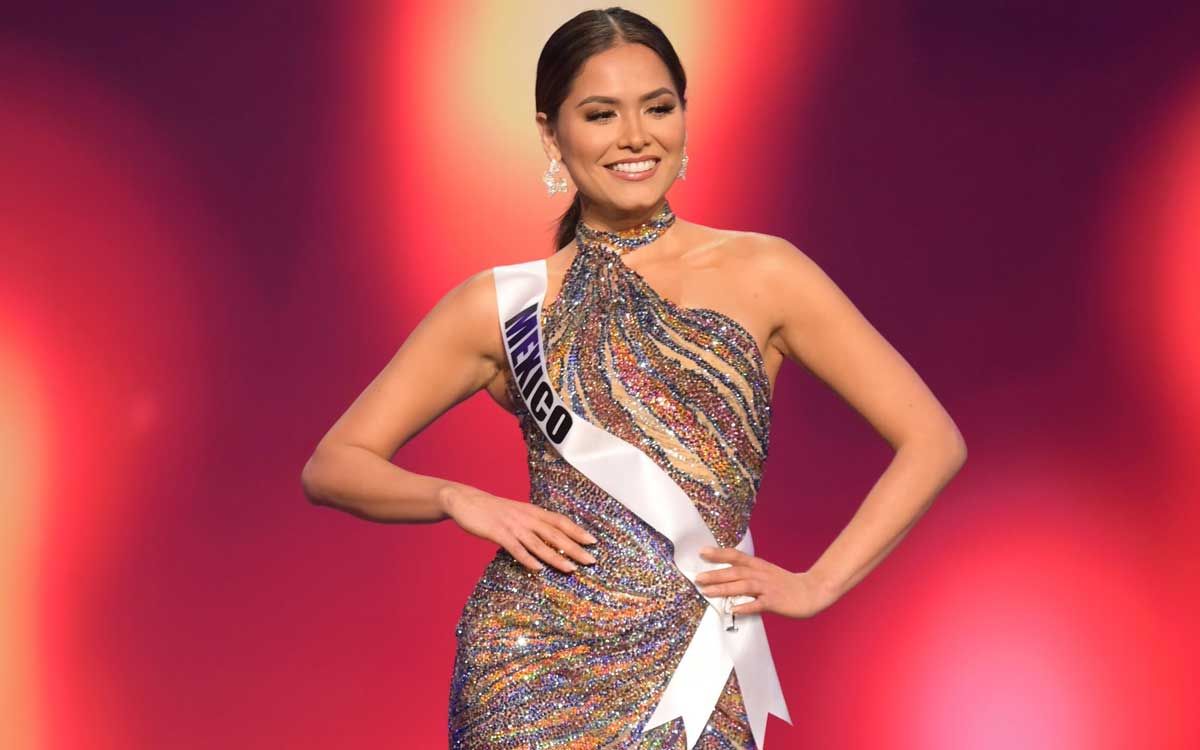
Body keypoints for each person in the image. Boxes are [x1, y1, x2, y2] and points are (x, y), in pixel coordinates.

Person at [300, 7, 966, 749]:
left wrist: (816, 585)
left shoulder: (768, 273)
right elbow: (333, 465)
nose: (635, 136)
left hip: (698, 662)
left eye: (658, 107)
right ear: (552, 134)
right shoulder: (504, 304)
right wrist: (459, 499)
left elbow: (932, 439)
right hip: (529, 670)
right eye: (600, 114)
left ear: (686, 118)